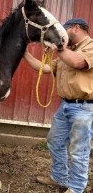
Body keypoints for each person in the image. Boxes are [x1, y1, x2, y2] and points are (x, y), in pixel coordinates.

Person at [24, 18, 93, 193]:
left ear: (76, 28)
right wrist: (23, 52)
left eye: (64, 29)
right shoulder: (68, 51)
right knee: (55, 141)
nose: (61, 32)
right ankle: (59, 178)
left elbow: (78, 63)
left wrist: (59, 47)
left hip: (84, 108)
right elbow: (45, 68)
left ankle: (76, 188)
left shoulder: (90, 47)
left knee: (79, 150)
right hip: (65, 106)